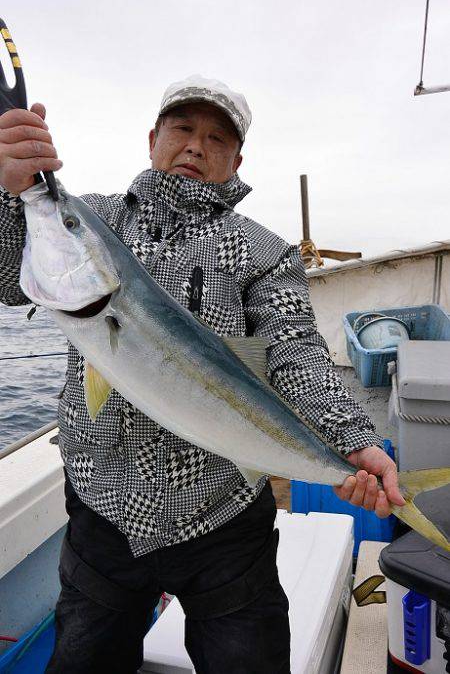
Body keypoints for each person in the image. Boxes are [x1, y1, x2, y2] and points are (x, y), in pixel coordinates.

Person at [0, 75, 405, 674]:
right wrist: (12, 195)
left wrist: (353, 441)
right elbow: (11, 278)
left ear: (237, 160)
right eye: (182, 128)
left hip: (222, 516)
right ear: (152, 139)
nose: (195, 146)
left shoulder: (263, 250)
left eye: (216, 137)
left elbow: (297, 355)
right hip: (104, 505)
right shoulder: (95, 218)